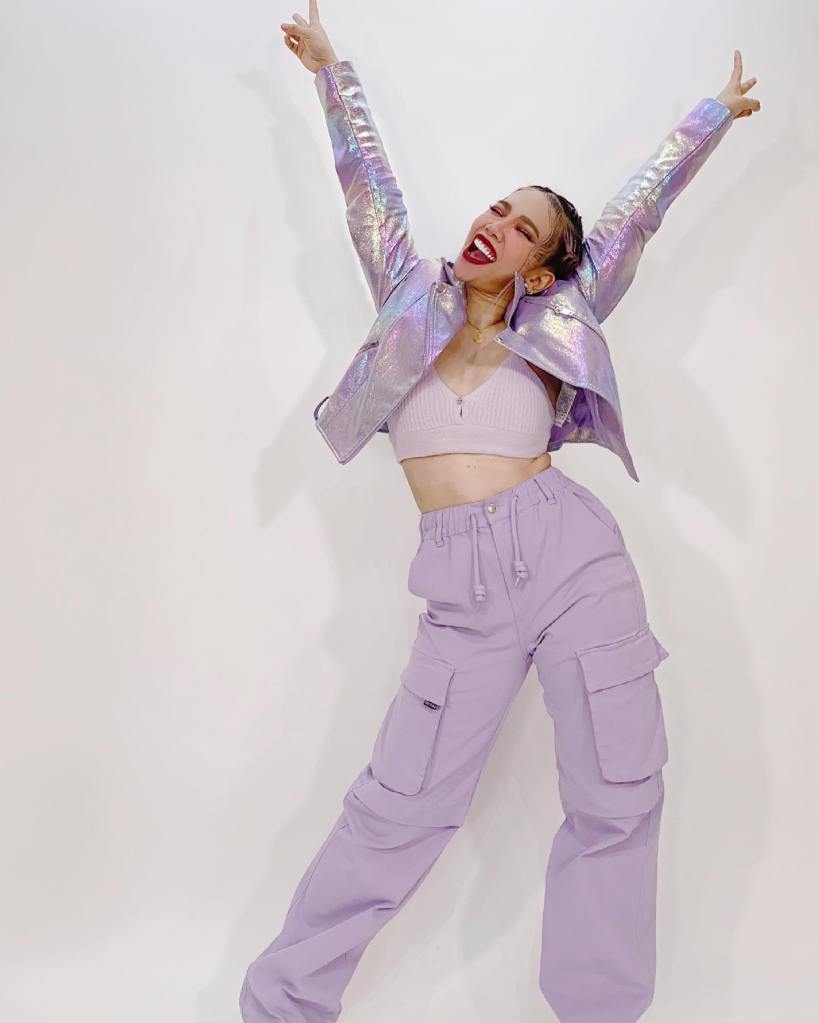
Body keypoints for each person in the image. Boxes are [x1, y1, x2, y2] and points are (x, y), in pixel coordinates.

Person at [239, 4, 761, 1021]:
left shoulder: (560, 318)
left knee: (616, 795)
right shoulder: (408, 295)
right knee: (396, 809)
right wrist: (331, 72)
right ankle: (283, 1004)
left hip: (573, 563)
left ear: (541, 269)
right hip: (462, 589)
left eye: (525, 227)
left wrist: (711, 117)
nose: (496, 223)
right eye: (497, 208)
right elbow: (367, 188)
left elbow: (636, 212)